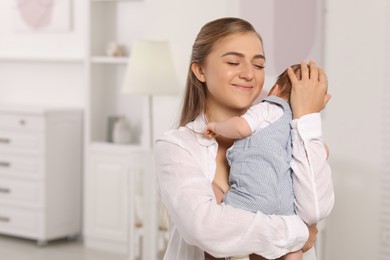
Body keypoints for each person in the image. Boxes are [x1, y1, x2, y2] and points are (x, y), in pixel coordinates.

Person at [154, 17, 334, 260]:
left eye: (258, 66)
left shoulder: (290, 138)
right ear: (200, 70)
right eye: (233, 61)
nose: (249, 74)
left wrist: (305, 120)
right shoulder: (177, 146)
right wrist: (298, 233)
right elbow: (206, 227)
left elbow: (315, 208)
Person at [204, 64, 329, 260]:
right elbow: (322, 152)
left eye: (258, 64)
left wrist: (216, 126)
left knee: (227, 228)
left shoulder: (269, 107)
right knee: (293, 249)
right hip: (286, 211)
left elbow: (240, 128)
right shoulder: (300, 130)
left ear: (275, 90)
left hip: (251, 201)